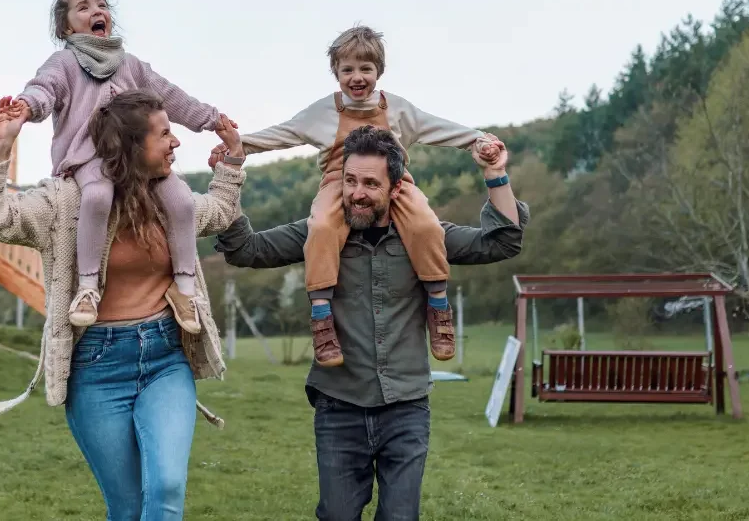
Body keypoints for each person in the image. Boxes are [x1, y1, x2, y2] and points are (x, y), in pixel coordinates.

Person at [215, 125, 528, 521]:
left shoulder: (426, 236)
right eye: (349, 180)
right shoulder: (319, 234)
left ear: (396, 187)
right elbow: (246, 250)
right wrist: (230, 175)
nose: (356, 192)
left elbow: (502, 242)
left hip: (406, 407)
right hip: (339, 405)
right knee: (337, 516)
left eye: (369, 183)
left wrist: (495, 173)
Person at [0, 89, 247, 520]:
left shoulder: (172, 202)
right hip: (97, 368)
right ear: (131, 145)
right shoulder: (66, 202)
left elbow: (220, 211)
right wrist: (2, 145)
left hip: (165, 358)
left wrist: (231, 162)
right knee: (127, 505)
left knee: (168, 489)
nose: (175, 142)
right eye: (164, 134)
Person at [209, 25, 499, 367]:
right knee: (321, 229)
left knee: (426, 225)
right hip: (339, 183)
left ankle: (438, 305)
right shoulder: (323, 112)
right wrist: (238, 146)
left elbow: (440, 127)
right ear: (336, 73)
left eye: (366, 69)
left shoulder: (399, 110)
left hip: (396, 182)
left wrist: (477, 139)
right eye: (348, 69)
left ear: (379, 72)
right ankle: (321, 316)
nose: (357, 77)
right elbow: (282, 134)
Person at [6, 0, 238, 332]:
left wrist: (209, 118)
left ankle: (184, 287)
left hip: (141, 161)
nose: (96, 11)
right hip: (91, 159)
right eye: (83, 7)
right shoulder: (64, 63)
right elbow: (44, 88)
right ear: (66, 27)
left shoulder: (130, 65)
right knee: (98, 196)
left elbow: (168, 95)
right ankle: (87, 287)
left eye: (101, 5)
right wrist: (26, 106)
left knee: (182, 203)